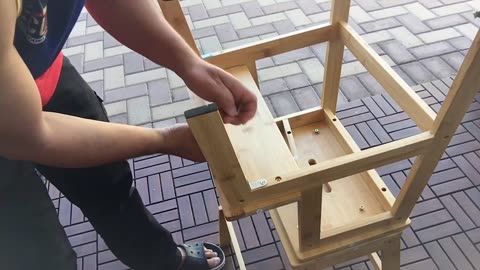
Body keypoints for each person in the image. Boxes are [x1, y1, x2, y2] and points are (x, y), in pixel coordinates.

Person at [0, 0, 257, 269]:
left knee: (108, 180)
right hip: (13, 119)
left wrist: (189, 64)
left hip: (36, 71)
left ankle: (164, 261)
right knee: (35, 250)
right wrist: (166, 140)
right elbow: (28, 135)